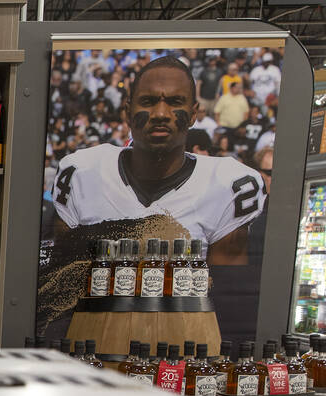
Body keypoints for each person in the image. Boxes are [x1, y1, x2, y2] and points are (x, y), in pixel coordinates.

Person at [51, 56, 263, 265]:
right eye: (148, 102)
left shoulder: (227, 185)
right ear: (127, 112)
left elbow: (224, 292)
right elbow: (61, 282)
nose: (161, 114)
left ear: (192, 114)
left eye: (175, 102)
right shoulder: (81, 173)